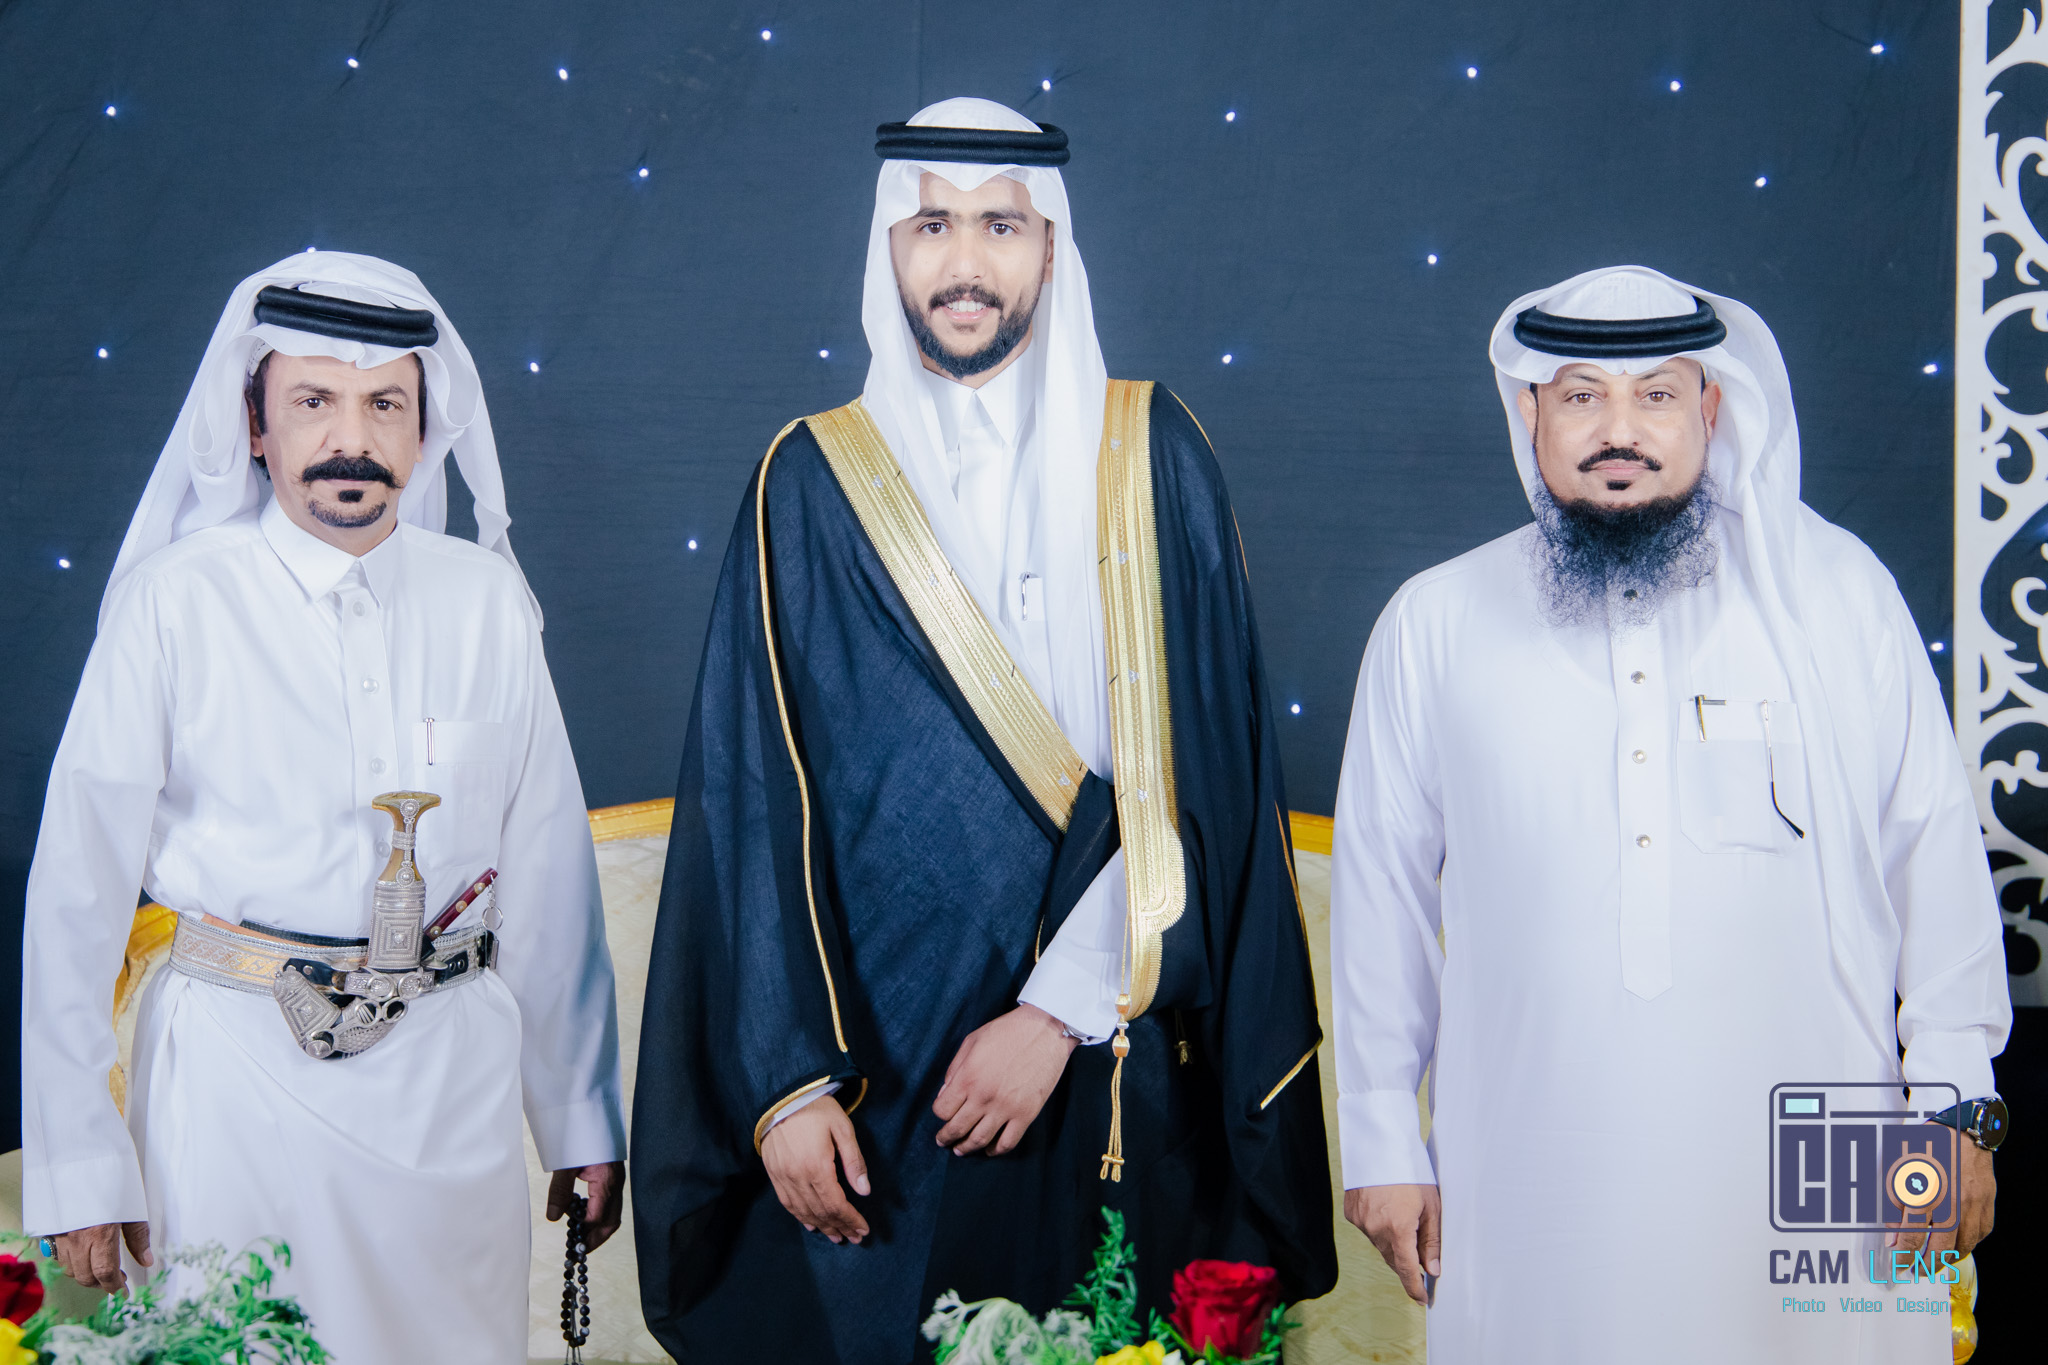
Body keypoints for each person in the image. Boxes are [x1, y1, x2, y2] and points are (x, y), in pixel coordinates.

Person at [631, 98, 1336, 1362]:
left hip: (1104, 1050)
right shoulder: (808, 478)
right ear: (886, 251)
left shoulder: (1152, 453)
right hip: (871, 1082)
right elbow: (751, 798)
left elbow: (1206, 786)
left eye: (999, 225)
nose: (964, 261)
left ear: (1050, 246)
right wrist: (787, 1085)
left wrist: (1054, 1012)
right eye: (932, 227)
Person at [1329, 265, 2011, 1362]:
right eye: (1580, 396)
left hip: (1824, 1143)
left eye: (1654, 394)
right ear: (1530, 414)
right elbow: (1380, 897)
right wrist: (1378, 1137)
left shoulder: (1836, 597)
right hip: (1530, 1157)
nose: (1619, 429)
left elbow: (1930, 854)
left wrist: (1953, 1104)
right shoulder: (1435, 622)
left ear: (1712, 409)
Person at [20, 253, 627, 1363]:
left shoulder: (487, 602)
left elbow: (546, 875)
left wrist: (580, 1114)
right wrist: (78, 1157)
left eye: (385, 403)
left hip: (453, 1099)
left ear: (423, 429)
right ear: (255, 426)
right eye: (313, 401)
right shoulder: (173, 603)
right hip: (232, 1092)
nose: (352, 436)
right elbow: (75, 893)